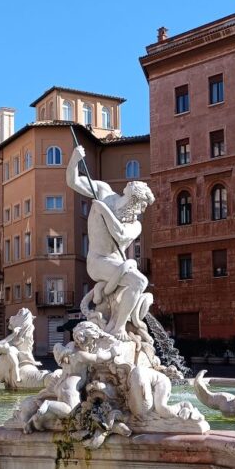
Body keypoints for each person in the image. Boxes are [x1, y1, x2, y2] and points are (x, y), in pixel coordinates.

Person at [67, 143, 155, 341]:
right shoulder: (104, 192)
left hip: (117, 263)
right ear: (132, 199)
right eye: (141, 205)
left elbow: (120, 235)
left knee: (140, 281)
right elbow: (72, 181)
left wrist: (103, 211)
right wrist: (74, 159)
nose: (140, 211)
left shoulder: (135, 225)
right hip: (98, 261)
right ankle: (117, 329)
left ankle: (119, 327)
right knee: (139, 280)